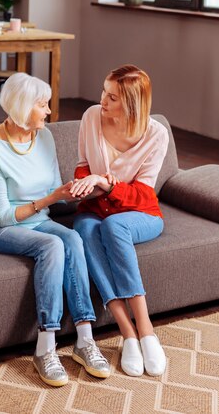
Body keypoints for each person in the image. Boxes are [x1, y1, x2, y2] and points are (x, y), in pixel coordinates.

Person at [0, 72, 110, 387]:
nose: (49, 111)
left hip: (39, 220)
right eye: (42, 105)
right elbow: (5, 215)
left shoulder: (45, 137)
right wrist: (50, 198)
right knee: (51, 246)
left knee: (73, 238)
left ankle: (85, 340)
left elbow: (54, 190)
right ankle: (45, 346)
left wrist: (85, 188)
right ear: (23, 108)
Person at [70, 64, 169, 377]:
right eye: (104, 91)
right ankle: (127, 332)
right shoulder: (90, 117)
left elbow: (143, 194)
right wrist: (85, 183)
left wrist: (108, 184)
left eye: (112, 97)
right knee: (84, 228)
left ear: (131, 103)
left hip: (141, 215)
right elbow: (84, 166)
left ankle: (146, 328)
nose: (103, 100)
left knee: (115, 226)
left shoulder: (156, 135)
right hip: (94, 211)